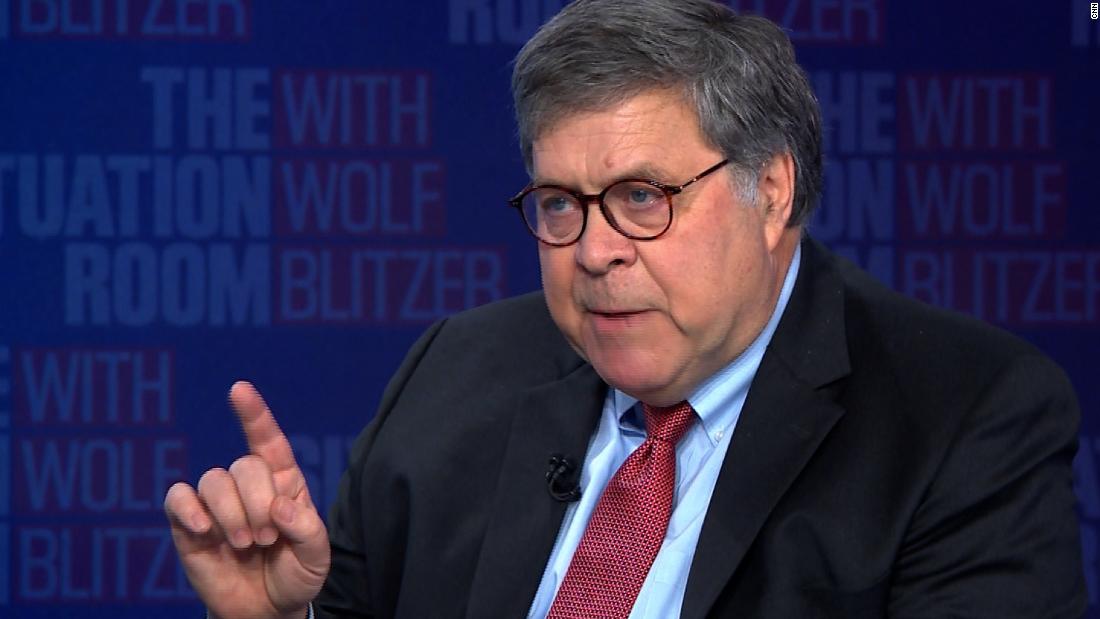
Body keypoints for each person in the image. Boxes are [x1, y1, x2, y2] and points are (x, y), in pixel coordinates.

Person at [163, 1, 1087, 617]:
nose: (595, 250)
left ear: (770, 191)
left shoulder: (963, 419)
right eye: (560, 203)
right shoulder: (457, 372)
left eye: (643, 197)